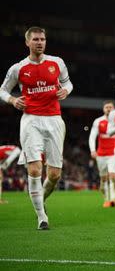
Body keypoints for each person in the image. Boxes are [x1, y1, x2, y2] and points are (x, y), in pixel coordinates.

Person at [0, 26, 73, 229]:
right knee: (34, 168)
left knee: (55, 175)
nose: (40, 42)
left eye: (42, 39)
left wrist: (66, 90)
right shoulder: (18, 68)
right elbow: (3, 90)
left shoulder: (57, 62)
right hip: (31, 120)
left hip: (55, 120)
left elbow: (68, 83)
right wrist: (13, 101)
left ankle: (40, 199)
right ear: (27, 42)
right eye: (35, 39)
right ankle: (42, 217)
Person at [89, 100, 115, 208]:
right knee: (104, 179)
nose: (109, 109)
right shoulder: (98, 121)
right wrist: (92, 150)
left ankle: (112, 199)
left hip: (114, 154)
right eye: (107, 107)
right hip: (101, 155)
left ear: (114, 109)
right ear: (103, 109)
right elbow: (92, 136)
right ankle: (106, 199)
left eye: (110, 107)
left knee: (113, 176)